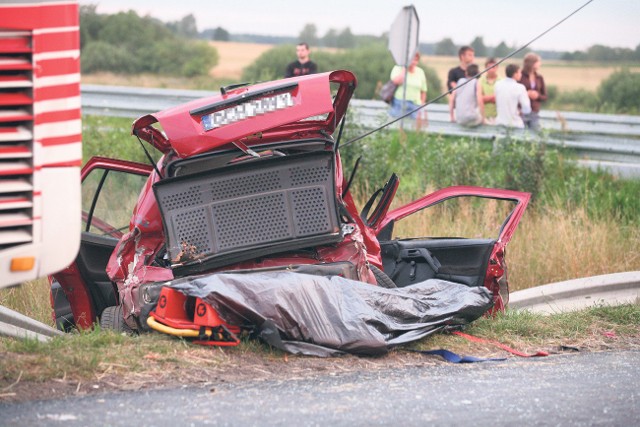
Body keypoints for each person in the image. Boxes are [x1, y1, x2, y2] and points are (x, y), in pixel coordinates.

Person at [388, 52, 428, 130]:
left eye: (416, 59)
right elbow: (396, 81)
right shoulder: (398, 68)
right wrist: (405, 69)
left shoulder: (420, 72)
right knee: (397, 129)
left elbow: (423, 90)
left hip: (415, 105)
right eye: (412, 59)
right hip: (399, 103)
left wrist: (421, 106)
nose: (414, 61)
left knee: (413, 130)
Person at [494, 64, 531, 128]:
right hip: (515, 124)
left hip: (499, 123)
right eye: (519, 72)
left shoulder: (497, 84)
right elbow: (526, 108)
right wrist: (520, 111)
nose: (521, 74)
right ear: (515, 74)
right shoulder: (520, 87)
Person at [519, 52, 547, 131]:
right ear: (532, 63)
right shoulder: (520, 76)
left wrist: (537, 96)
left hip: (534, 112)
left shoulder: (539, 78)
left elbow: (545, 96)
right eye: (538, 62)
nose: (540, 64)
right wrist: (525, 94)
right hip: (521, 112)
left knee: (535, 135)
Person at [480, 58, 499, 124]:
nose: (491, 70)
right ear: (485, 68)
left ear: (497, 68)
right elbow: (479, 98)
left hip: (497, 116)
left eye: (493, 67)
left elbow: (500, 98)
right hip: (484, 116)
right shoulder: (480, 81)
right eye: (489, 67)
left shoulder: (501, 81)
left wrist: (485, 98)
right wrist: (493, 97)